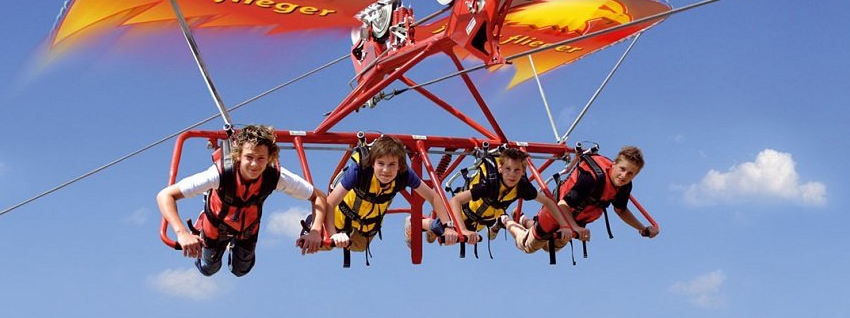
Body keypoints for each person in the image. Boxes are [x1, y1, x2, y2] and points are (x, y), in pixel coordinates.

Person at [157, 125, 328, 277]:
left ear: (269, 158)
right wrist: (182, 233)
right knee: (210, 268)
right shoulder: (219, 174)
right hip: (216, 225)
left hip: (248, 227)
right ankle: (203, 223)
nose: (254, 164)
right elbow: (165, 196)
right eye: (249, 157)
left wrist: (315, 230)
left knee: (241, 270)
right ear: (238, 156)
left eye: (261, 158)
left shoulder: (275, 176)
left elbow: (318, 196)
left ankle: (234, 247)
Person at [503, 145, 659, 256]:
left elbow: (621, 210)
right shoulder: (591, 179)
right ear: (614, 164)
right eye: (622, 169)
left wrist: (641, 227)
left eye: (630, 174)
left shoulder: (624, 186)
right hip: (555, 214)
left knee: (550, 247)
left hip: (573, 223)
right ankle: (505, 220)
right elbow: (563, 205)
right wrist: (575, 228)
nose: (624, 176)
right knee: (529, 246)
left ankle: (524, 219)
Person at [408, 148, 573, 246]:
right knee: (440, 228)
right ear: (500, 168)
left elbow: (548, 201)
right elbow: (456, 200)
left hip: (480, 222)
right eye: (508, 169)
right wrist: (461, 229)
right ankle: (415, 223)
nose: (512, 175)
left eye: (517, 170)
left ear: (523, 171)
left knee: (452, 236)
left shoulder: (522, 187)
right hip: (459, 215)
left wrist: (564, 225)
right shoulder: (489, 185)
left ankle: (433, 231)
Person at [323, 135, 458, 253]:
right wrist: (333, 234)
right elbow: (330, 202)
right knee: (321, 242)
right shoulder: (360, 171)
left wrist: (448, 226)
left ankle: (417, 223)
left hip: (367, 228)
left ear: (399, 166)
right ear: (372, 163)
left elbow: (433, 196)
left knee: (360, 247)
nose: (386, 170)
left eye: (392, 164)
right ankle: (313, 223)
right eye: (380, 164)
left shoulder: (404, 175)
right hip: (338, 219)